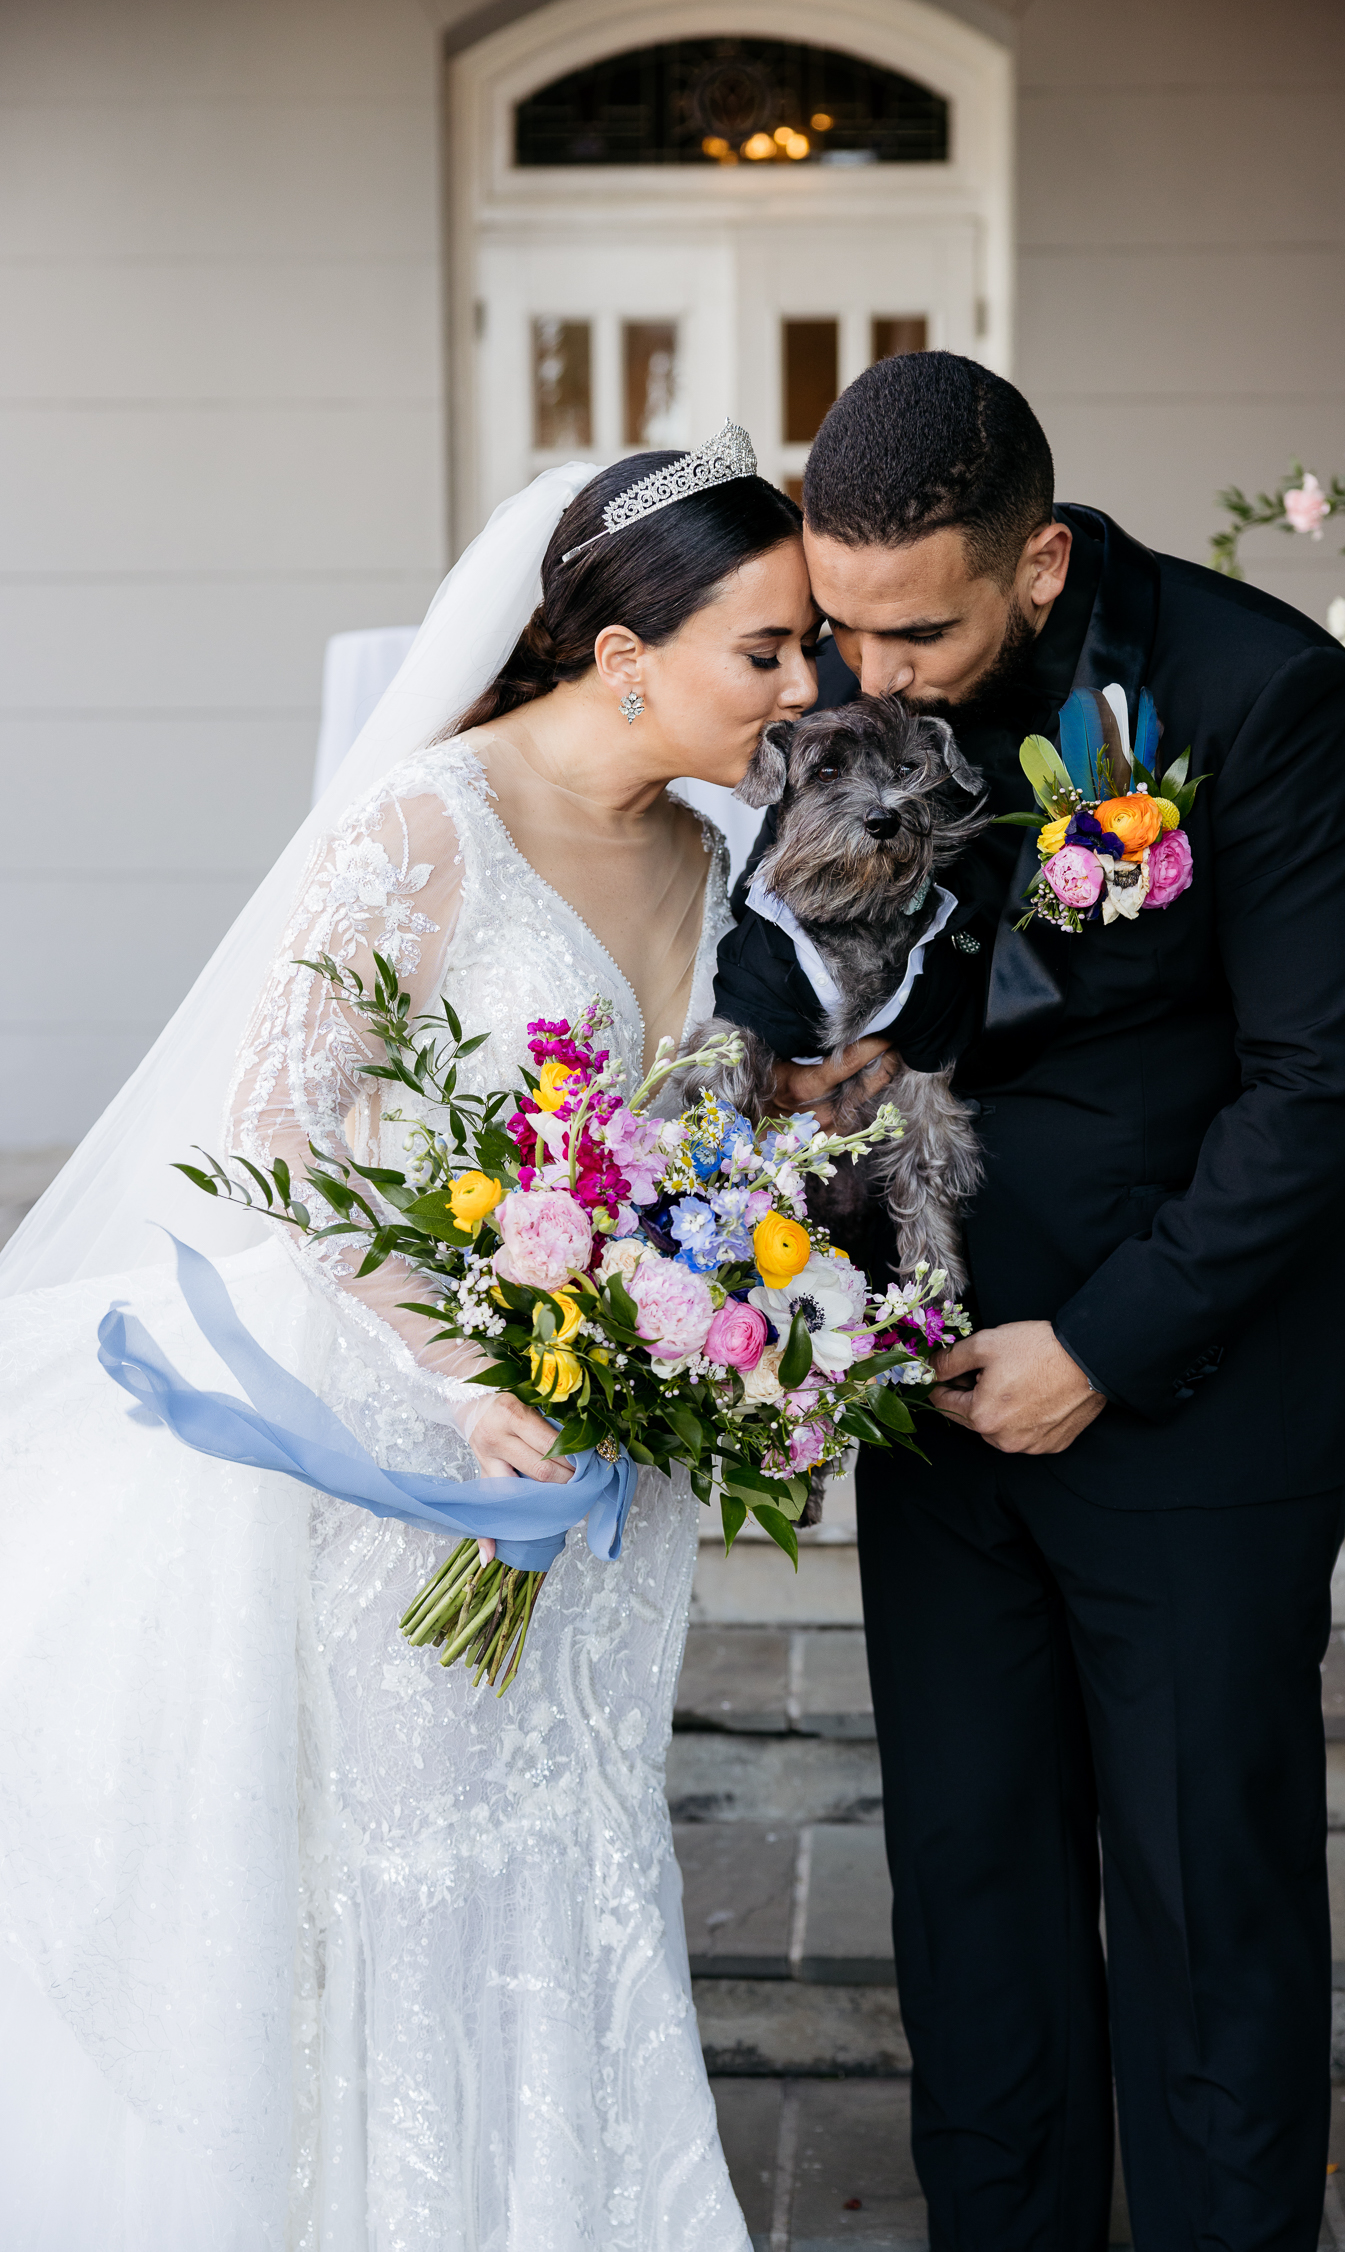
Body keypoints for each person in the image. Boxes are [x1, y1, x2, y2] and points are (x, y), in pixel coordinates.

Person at [0, 434, 816, 2250]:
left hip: (606, 1457)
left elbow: (708, 1148)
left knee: (587, 1838)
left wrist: (727, 1320)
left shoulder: (714, 850)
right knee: (418, 1866)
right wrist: (475, 1371)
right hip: (405, 1454)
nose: (802, 686)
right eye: (765, 650)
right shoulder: (425, 827)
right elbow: (281, 1135)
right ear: (626, 656)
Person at [749, 351, 1345, 2252]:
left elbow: (1325, 1086)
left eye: (916, 628)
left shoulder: (1269, 700)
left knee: (1204, 1917)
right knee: (971, 1908)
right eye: (840, 625)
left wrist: (1101, 1349)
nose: (870, 671)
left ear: (1045, 560)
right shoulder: (859, 681)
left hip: (1192, 1413)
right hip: (937, 1400)